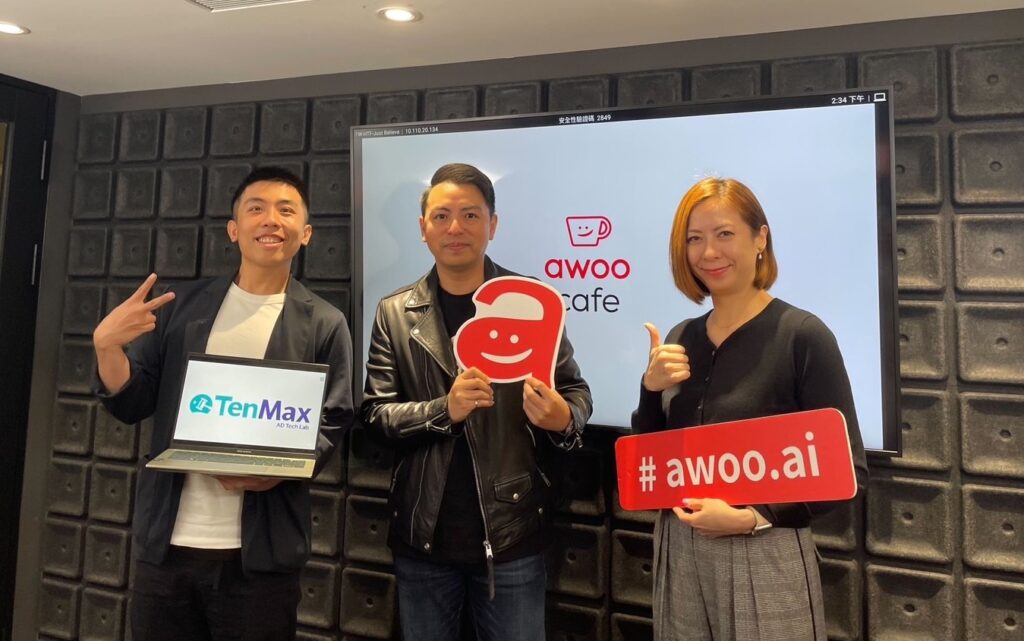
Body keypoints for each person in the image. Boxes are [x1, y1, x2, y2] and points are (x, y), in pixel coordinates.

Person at [92, 166, 355, 641]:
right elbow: (132, 402)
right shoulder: (181, 306)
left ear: (306, 233)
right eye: (256, 209)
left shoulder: (325, 322)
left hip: (260, 557)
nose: (270, 220)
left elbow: (332, 421)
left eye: (286, 210)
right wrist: (107, 347)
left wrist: (276, 471)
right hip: (167, 549)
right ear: (234, 230)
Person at [361, 162, 593, 641]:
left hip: (513, 531)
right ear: (423, 228)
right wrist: (443, 410)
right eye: (441, 216)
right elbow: (376, 415)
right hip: (423, 536)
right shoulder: (394, 312)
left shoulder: (529, 303)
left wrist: (562, 417)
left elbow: (575, 392)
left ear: (493, 224)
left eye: (470, 215)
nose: (455, 228)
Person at [632, 177, 868, 641]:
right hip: (679, 547)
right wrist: (649, 389)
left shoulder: (802, 334)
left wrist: (751, 517)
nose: (708, 252)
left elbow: (849, 471)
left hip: (765, 545)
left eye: (724, 234)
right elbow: (650, 465)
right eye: (694, 239)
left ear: (760, 238)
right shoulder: (681, 336)